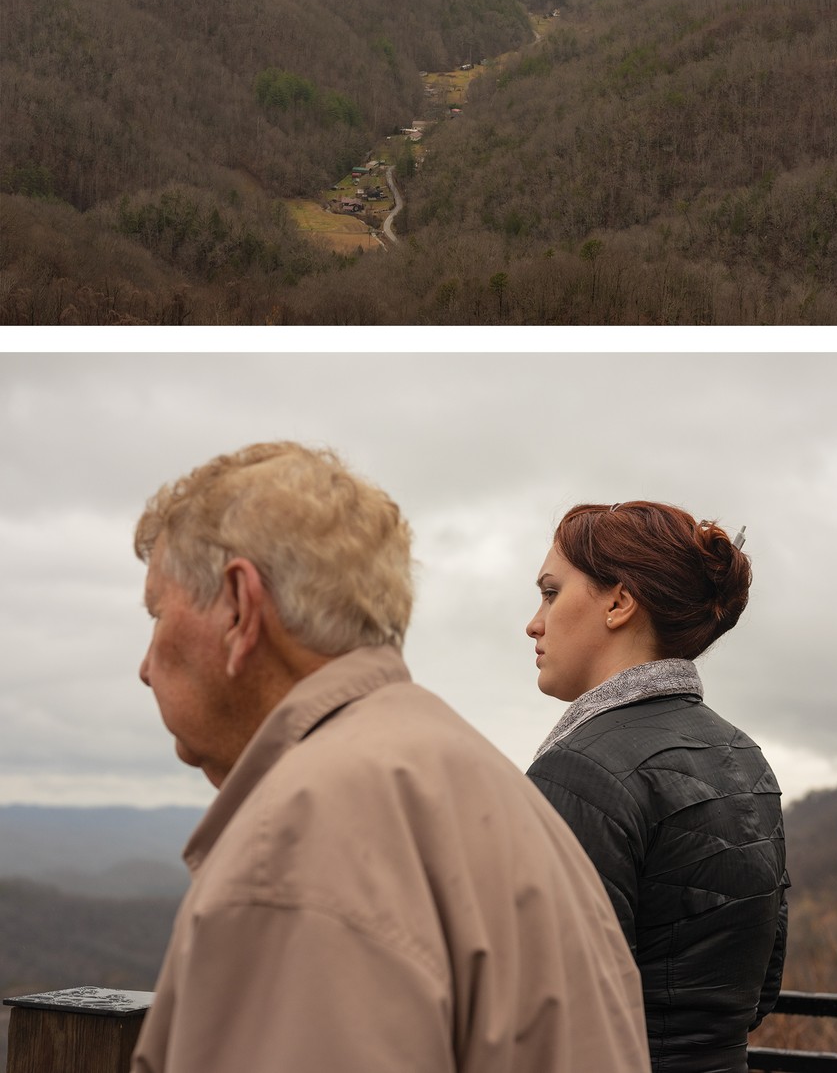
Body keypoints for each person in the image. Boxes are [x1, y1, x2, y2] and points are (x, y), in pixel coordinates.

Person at [131, 442, 651, 1073]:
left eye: (158, 612)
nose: (144, 667)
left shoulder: (303, 837)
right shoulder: (475, 776)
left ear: (240, 608)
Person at [525, 500, 789, 1073]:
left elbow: (552, 1017)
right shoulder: (745, 759)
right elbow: (761, 989)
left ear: (619, 602)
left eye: (550, 593)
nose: (534, 623)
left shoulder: (577, 772)